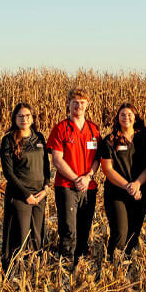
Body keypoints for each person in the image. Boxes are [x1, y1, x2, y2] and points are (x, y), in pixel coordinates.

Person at [47, 87, 101, 263]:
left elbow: (97, 159)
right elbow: (57, 159)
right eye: (75, 102)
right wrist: (76, 179)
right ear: (68, 104)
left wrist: (88, 177)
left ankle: (82, 261)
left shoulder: (94, 130)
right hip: (66, 186)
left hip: (88, 186)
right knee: (69, 228)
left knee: (85, 226)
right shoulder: (61, 128)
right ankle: (66, 262)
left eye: (82, 103)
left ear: (88, 105)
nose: (79, 106)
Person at [0, 102, 50, 270]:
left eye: (27, 115)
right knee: (19, 234)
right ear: (14, 118)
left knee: (37, 234)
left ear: (33, 118)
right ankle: (14, 270)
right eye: (20, 116)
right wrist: (26, 194)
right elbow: (9, 173)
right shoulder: (8, 140)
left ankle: (34, 270)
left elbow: (45, 166)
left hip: (40, 194)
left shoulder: (39, 137)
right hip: (20, 195)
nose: (24, 119)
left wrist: (46, 188)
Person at [99, 103, 146, 259]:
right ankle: (113, 265)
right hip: (116, 193)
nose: (126, 118)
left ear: (135, 118)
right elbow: (108, 169)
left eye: (130, 115)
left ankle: (128, 269)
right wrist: (128, 186)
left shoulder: (145, 139)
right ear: (118, 118)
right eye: (123, 115)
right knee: (120, 233)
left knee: (134, 233)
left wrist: (136, 185)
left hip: (140, 191)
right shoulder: (109, 140)